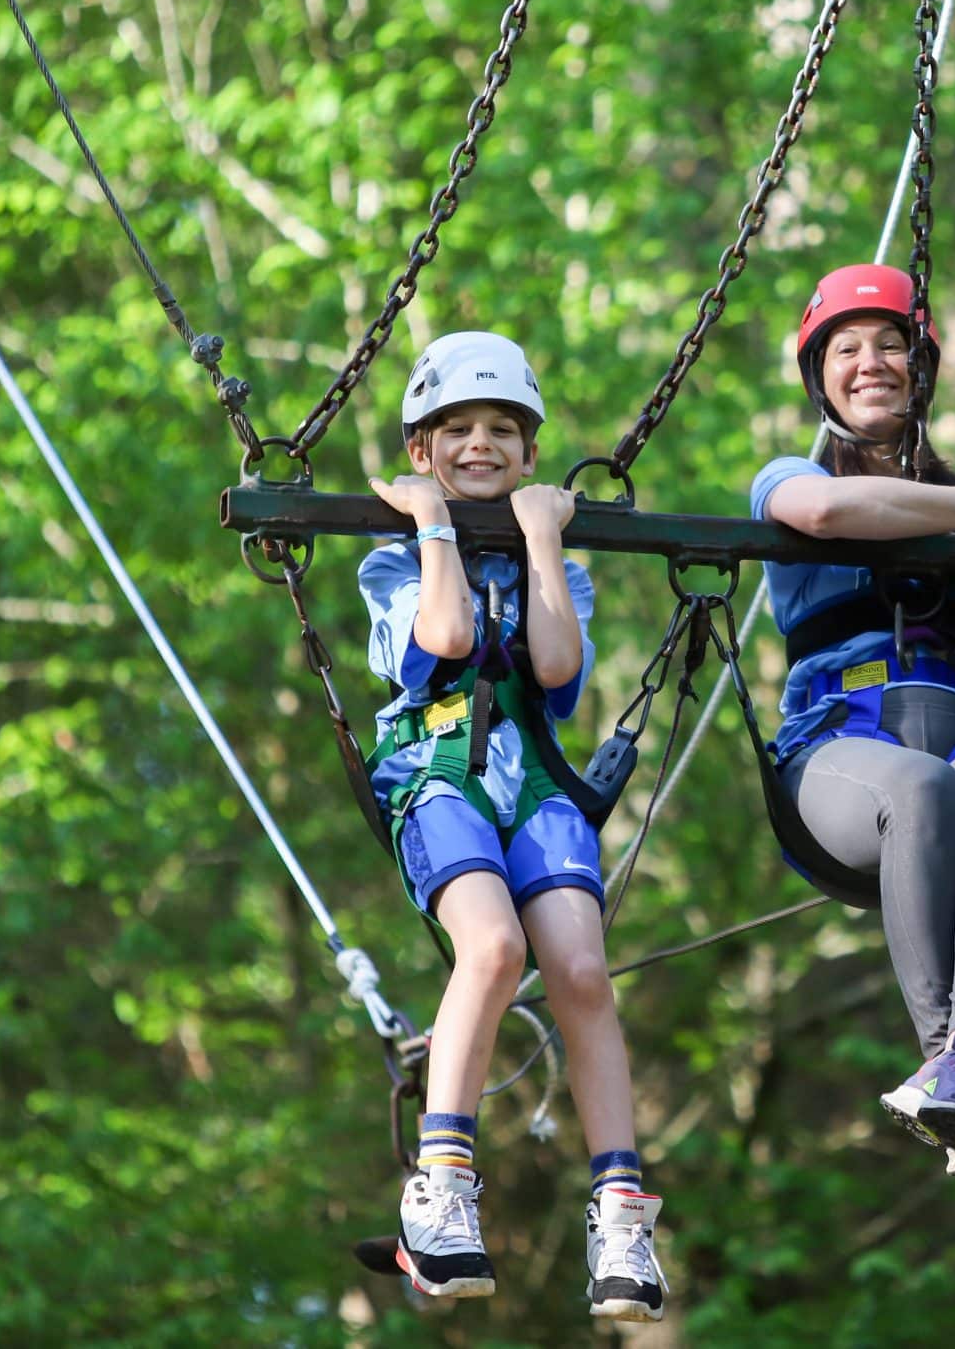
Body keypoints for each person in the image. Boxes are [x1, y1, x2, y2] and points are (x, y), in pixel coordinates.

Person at [359, 331, 668, 1320]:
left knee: (580, 970)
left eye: (501, 431)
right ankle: (442, 1187)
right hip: (437, 773)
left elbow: (549, 672)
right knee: (490, 948)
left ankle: (620, 1207)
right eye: (456, 431)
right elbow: (444, 639)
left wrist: (542, 539)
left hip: (533, 783)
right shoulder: (391, 560)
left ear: (530, 455)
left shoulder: (556, 563)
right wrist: (436, 528)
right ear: (422, 451)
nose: (480, 445)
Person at [749, 264, 955, 1174]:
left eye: (890, 345)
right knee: (923, 789)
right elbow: (824, 510)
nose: (870, 362)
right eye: (846, 349)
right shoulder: (793, 473)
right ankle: (941, 1049)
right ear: (821, 376)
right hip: (842, 744)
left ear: (921, 367)